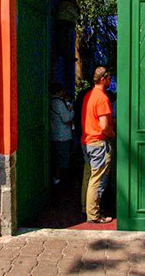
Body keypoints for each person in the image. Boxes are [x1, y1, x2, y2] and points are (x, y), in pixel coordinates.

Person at [80, 66, 115, 224]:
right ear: (103, 79)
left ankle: (85, 207)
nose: (110, 81)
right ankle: (94, 214)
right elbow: (104, 126)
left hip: (87, 142)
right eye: (109, 78)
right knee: (97, 179)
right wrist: (113, 135)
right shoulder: (102, 98)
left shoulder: (89, 95)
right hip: (98, 143)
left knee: (88, 177)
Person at [48, 82, 74, 186]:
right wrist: (71, 109)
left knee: (57, 157)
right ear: (59, 91)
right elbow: (67, 118)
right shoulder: (58, 102)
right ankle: (60, 179)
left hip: (55, 133)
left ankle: (57, 178)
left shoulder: (50, 101)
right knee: (62, 158)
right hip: (62, 135)